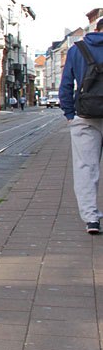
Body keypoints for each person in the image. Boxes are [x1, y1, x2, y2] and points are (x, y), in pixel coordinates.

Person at [59, 17, 103, 234]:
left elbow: (66, 85)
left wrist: (69, 114)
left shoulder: (77, 50)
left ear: (95, 29)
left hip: (84, 117)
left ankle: (91, 219)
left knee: (86, 168)